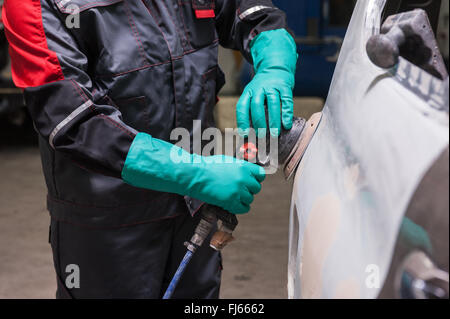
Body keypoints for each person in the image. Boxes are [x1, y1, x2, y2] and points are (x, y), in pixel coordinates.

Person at [2, 0, 297, 298]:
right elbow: (71, 121)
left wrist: (274, 66)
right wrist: (193, 173)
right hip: (108, 227)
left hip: (194, 210)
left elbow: (254, 14)